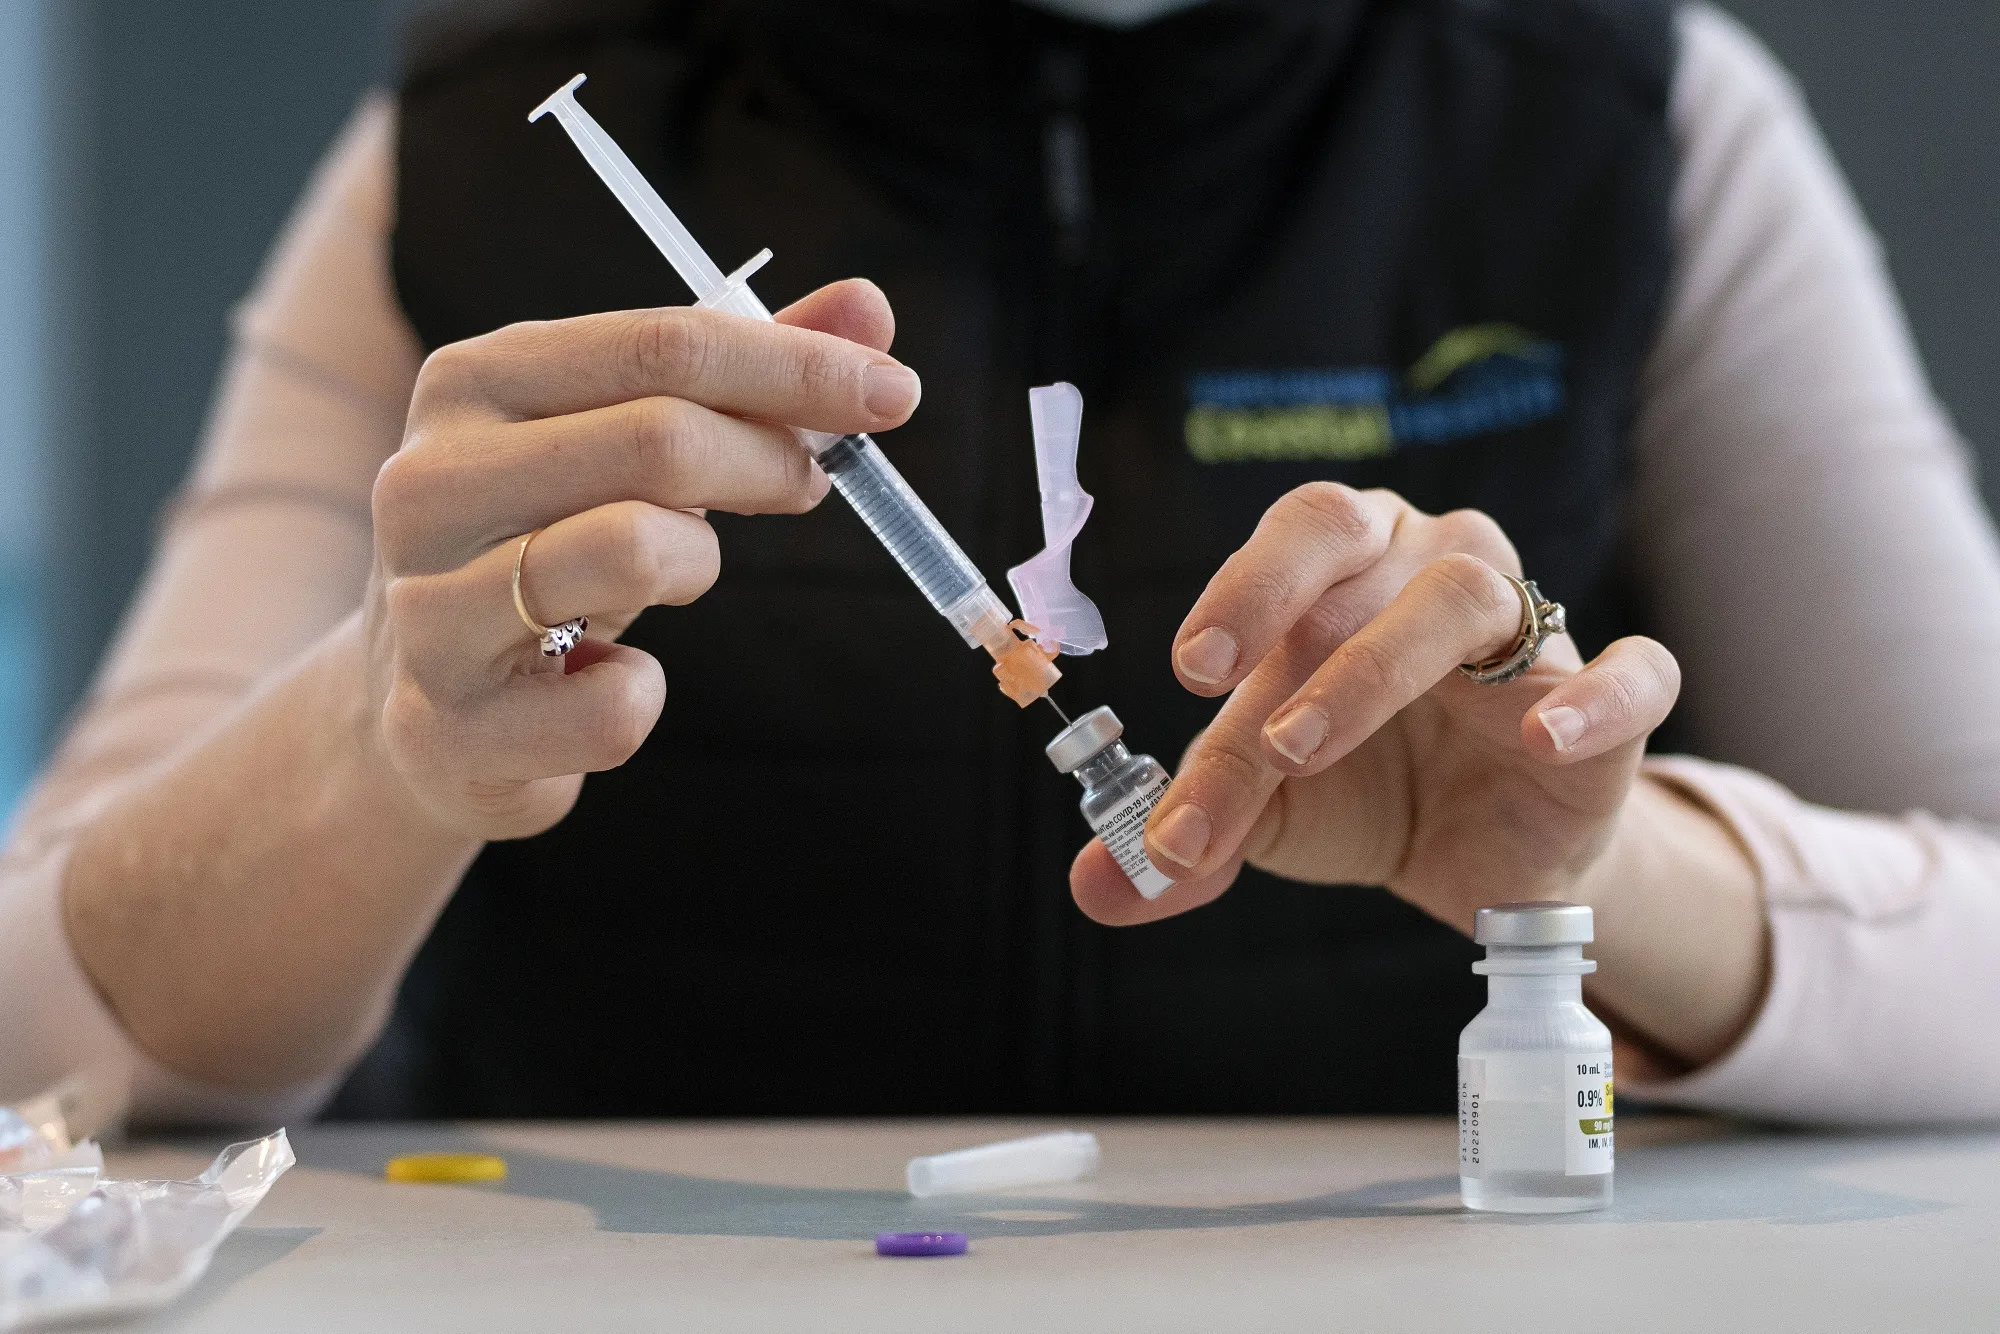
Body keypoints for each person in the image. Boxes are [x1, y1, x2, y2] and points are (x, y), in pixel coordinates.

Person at [4, 0, 1998, 1126]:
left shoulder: (1615, 119)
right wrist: (381, 758)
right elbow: (37, 1031)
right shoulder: (483, 154)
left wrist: (1597, 871)